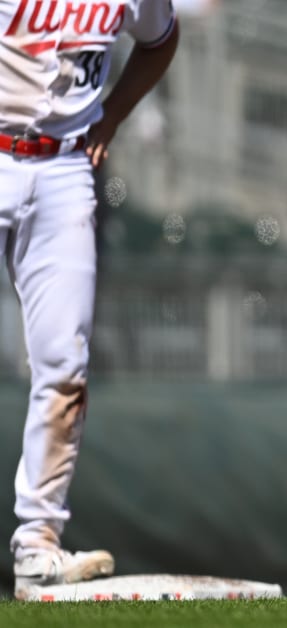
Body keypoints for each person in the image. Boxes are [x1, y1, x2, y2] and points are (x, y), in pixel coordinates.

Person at [0, 0, 179, 599]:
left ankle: (38, 542)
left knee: (64, 363)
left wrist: (114, 117)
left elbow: (160, 40)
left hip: (63, 167)